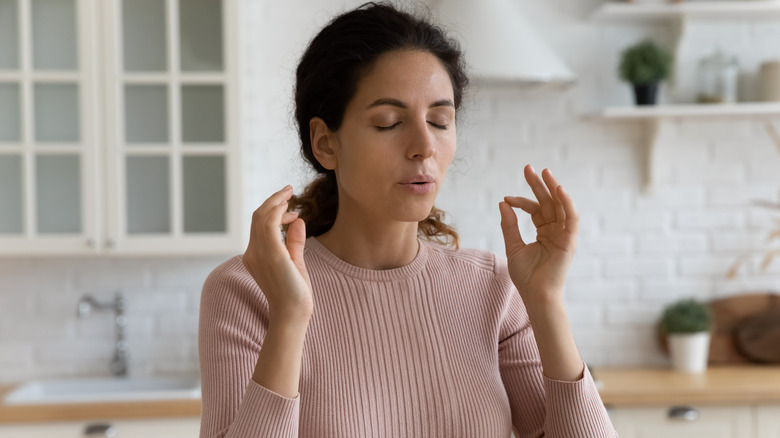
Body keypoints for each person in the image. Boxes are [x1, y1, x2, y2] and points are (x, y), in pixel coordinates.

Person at [198, 2, 616, 437]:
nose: (424, 146)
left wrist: (546, 301)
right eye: (389, 122)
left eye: (439, 120)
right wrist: (289, 316)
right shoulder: (247, 290)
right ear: (325, 143)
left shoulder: (493, 288)